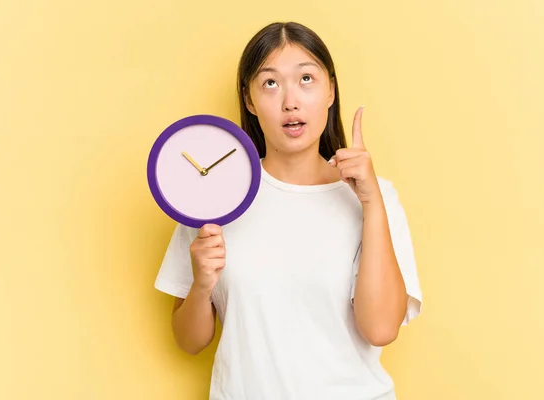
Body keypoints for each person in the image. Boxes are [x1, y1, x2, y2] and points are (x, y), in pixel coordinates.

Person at [154, 21, 423, 400]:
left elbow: (380, 329)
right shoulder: (214, 195)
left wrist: (371, 203)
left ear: (331, 89)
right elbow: (189, 341)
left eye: (306, 79)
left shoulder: (376, 198)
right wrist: (200, 285)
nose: (290, 101)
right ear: (249, 99)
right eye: (270, 83)